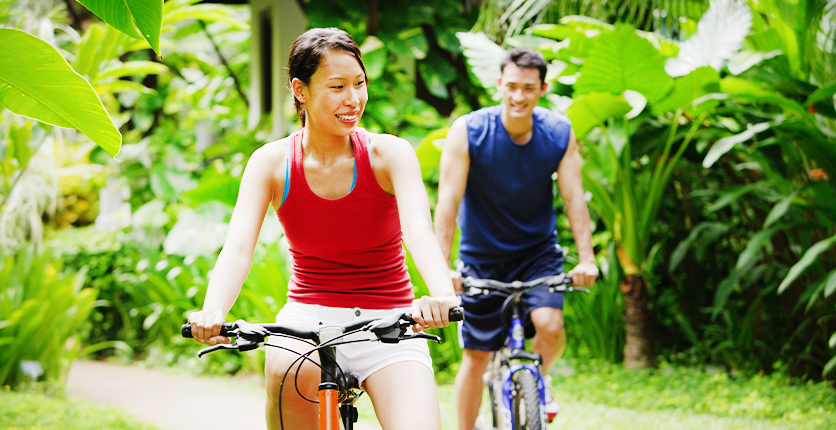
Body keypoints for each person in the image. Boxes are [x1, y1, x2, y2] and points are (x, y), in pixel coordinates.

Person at [188, 28, 459, 430]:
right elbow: (238, 247)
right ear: (300, 90)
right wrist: (213, 310)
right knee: (285, 372)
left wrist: (442, 296)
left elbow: (418, 230)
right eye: (336, 87)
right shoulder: (271, 164)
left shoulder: (390, 155)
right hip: (305, 319)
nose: (353, 99)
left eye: (359, 83)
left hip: (390, 323)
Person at [433, 47, 599, 430]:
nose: (519, 96)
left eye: (528, 87)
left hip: (537, 254)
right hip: (481, 258)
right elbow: (447, 204)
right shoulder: (470, 131)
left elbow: (574, 199)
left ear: (541, 88)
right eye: (511, 86)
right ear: (499, 85)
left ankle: (538, 378)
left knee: (551, 328)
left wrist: (586, 259)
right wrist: (443, 270)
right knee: (476, 358)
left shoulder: (558, 132)